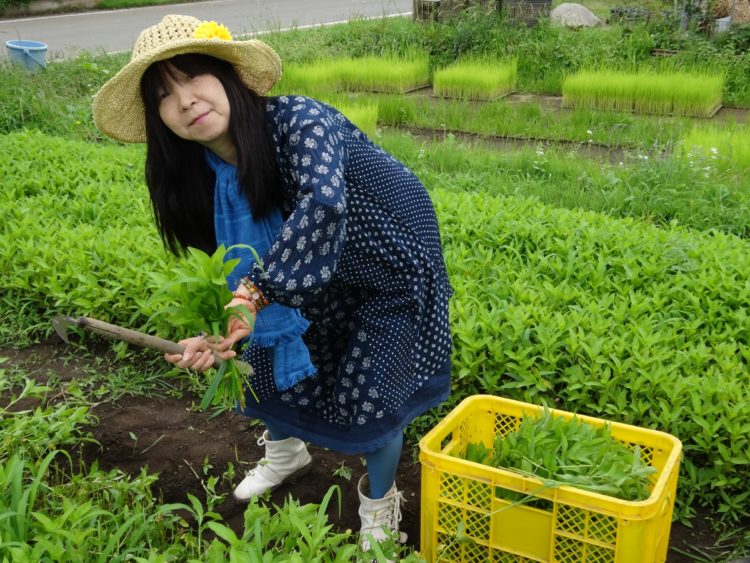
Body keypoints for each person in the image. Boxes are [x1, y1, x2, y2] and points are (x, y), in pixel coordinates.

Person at [92, 14, 453, 548]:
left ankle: (379, 506)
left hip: (387, 265)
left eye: (194, 77)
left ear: (229, 78)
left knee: (374, 393)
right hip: (305, 269)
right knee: (260, 351)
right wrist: (219, 331)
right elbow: (227, 269)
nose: (186, 100)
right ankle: (286, 454)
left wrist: (254, 295)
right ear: (158, 118)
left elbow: (324, 205)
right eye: (165, 95)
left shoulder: (298, 120)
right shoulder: (200, 177)